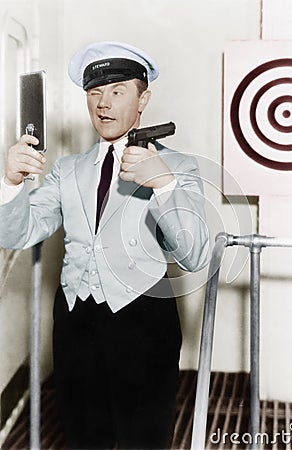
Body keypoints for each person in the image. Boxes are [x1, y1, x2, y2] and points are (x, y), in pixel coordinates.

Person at [0, 42, 209, 449]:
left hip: (145, 322)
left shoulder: (179, 167)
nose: (103, 104)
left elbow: (195, 254)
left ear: (143, 98)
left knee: (143, 441)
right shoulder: (67, 169)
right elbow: (17, 234)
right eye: (95, 93)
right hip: (77, 322)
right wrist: (10, 183)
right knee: (83, 438)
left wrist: (163, 184)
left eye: (118, 91)